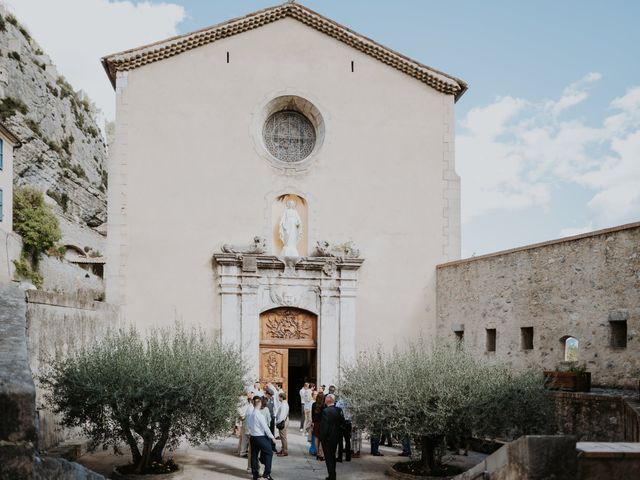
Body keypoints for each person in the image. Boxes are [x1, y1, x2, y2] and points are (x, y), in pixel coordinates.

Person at [247, 396, 276, 480]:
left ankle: (255, 474)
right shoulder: (259, 415)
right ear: (259, 403)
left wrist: (251, 433)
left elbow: (249, 425)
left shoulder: (251, 413)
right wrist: (272, 437)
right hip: (260, 437)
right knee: (269, 452)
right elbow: (266, 427)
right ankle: (266, 474)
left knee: (254, 455)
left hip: (253, 437)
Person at [320, 394, 346, 480]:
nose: (324, 399)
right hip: (336, 437)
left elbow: (325, 427)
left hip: (327, 439)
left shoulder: (325, 411)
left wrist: (322, 438)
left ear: (328, 400)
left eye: (325, 398)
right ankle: (332, 475)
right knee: (332, 457)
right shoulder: (339, 410)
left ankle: (332, 476)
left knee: (329, 458)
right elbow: (343, 423)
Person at [335, 396, 351, 462]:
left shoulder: (339, 402)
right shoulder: (351, 402)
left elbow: (336, 412)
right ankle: (348, 457)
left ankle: (340, 457)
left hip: (341, 423)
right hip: (348, 423)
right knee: (347, 441)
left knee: (340, 441)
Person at [311, 392, 325, 460]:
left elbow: (312, 415)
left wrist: (313, 422)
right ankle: (321, 453)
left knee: (316, 438)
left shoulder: (314, 404)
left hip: (316, 423)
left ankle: (317, 453)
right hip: (323, 423)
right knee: (322, 439)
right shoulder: (324, 405)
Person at [275, 392, 290, 456]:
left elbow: (282, 416)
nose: (278, 398)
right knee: (282, 436)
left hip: (283, 421)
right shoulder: (284, 403)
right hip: (284, 420)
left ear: (281, 397)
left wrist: (277, 422)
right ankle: (283, 449)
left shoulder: (284, 405)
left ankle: (285, 451)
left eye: (279, 397)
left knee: (283, 437)